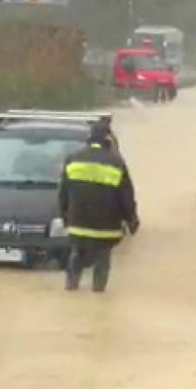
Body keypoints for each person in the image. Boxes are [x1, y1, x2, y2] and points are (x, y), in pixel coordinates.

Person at [58, 122, 140, 292]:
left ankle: (71, 287)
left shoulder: (72, 159)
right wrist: (132, 221)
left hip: (77, 224)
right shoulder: (116, 163)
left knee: (77, 255)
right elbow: (126, 196)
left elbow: (63, 193)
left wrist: (65, 217)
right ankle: (98, 291)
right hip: (106, 227)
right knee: (102, 259)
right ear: (108, 139)